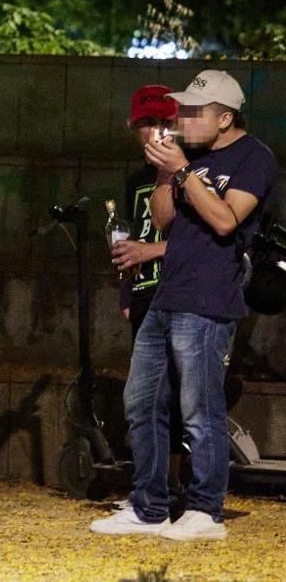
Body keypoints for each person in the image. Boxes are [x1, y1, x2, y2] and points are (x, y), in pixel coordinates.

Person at [92, 70, 277, 541]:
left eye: (195, 112)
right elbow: (162, 218)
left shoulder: (254, 157)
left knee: (199, 407)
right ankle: (149, 506)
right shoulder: (187, 156)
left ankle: (206, 510)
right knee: (141, 402)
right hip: (167, 293)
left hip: (210, 297)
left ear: (225, 118)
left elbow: (224, 220)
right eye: (184, 110)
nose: (183, 119)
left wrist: (182, 171)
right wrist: (164, 169)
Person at [110, 85, 185, 509]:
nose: (157, 132)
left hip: (179, 289)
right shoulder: (136, 180)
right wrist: (126, 288)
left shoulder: (190, 170)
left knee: (175, 392)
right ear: (132, 127)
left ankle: (171, 482)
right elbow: (131, 238)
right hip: (143, 291)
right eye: (148, 124)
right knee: (146, 394)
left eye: (165, 123)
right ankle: (152, 485)